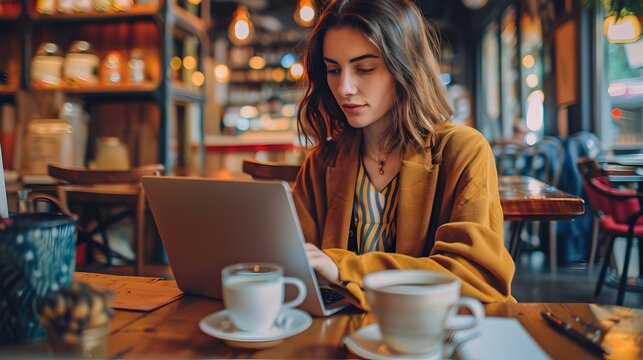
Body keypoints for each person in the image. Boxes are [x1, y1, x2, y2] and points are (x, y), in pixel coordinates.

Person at [293, 0, 515, 309]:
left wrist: (345, 269)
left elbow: (477, 275)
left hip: (435, 336)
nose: (344, 87)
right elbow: (293, 261)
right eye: (333, 70)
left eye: (364, 68)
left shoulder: (464, 150)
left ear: (404, 67)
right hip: (344, 338)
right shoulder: (321, 163)